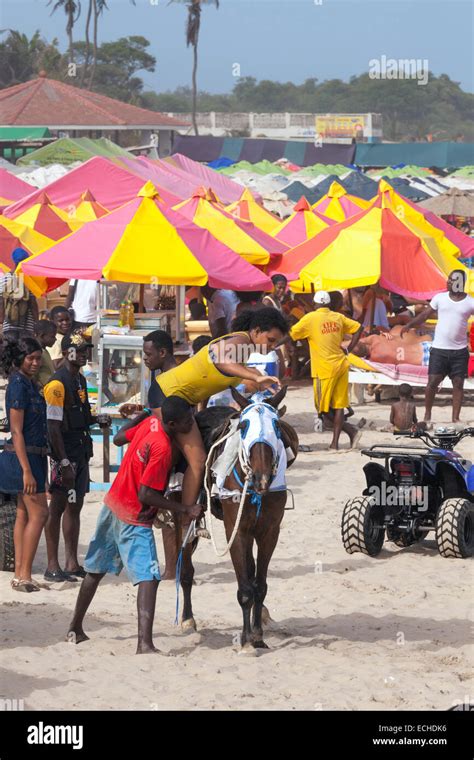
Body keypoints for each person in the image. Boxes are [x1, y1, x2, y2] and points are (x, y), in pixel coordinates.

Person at [67, 396, 202, 654]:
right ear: (172, 424)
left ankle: (75, 627)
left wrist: (143, 415)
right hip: (134, 515)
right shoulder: (162, 448)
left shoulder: (150, 422)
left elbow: (119, 439)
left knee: (95, 570)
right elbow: (146, 495)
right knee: (149, 577)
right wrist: (186, 508)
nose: (190, 424)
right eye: (186, 421)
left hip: (112, 503)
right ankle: (145, 644)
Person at [147, 307, 288, 512]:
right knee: (198, 460)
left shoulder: (245, 350)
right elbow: (220, 360)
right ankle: (187, 514)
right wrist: (256, 377)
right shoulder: (241, 342)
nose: (273, 347)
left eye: (276, 343)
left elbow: (232, 375)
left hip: (183, 401)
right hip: (166, 396)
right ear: (256, 331)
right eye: (271, 339)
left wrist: (257, 379)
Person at [43, 334, 96, 582]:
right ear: (67, 352)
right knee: (58, 506)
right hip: (64, 454)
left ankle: (72, 563)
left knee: (75, 505)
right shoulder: (57, 385)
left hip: (80, 449)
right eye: (80, 350)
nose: (85, 353)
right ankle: (53, 565)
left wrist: (98, 420)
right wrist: (63, 463)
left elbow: (80, 417)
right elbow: (53, 427)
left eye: (86, 349)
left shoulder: (80, 380)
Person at [0, 336, 48, 592]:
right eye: (31, 358)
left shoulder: (28, 383)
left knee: (23, 513)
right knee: (40, 513)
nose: (35, 363)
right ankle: (25, 574)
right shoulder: (18, 384)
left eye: (38, 358)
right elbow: (16, 431)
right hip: (24, 458)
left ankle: (20, 573)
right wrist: (27, 470)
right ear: (20, 359)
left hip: (33, 456)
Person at [289, 291, 363, 450]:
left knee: (321, 407)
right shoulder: (337, 317)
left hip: (324, 369)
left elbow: (292, 334)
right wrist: (348, 348)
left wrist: (275, 344)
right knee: (338, 406)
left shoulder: (310, 318)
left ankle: (350, 430)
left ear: (315, 304)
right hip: (341, 365)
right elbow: (358, 328)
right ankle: (335, 444)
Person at [400, 269, 474, 424]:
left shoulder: (470, 302)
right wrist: (409, 325)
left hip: (459, 351)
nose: (448, 282)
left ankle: (455, 418)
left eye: (451, 280)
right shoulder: (439, 298)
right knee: (432, 382)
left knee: (458, 384)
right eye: (449, 279)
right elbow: (424, 315)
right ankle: (427, 415)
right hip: (439, 350)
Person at [0, 248, 38, 341]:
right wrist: (36, 323)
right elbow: (33, 304)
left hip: (8, 326)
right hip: (26, 327)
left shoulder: (4, 279)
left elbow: (1, 302)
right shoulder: (28, 280)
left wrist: (1, 322)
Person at [34, 320, 57, 388]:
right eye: (53, 337)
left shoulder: (45, 351)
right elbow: (33, 376)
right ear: (42, 336)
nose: (55, 339)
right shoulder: (37, 353)